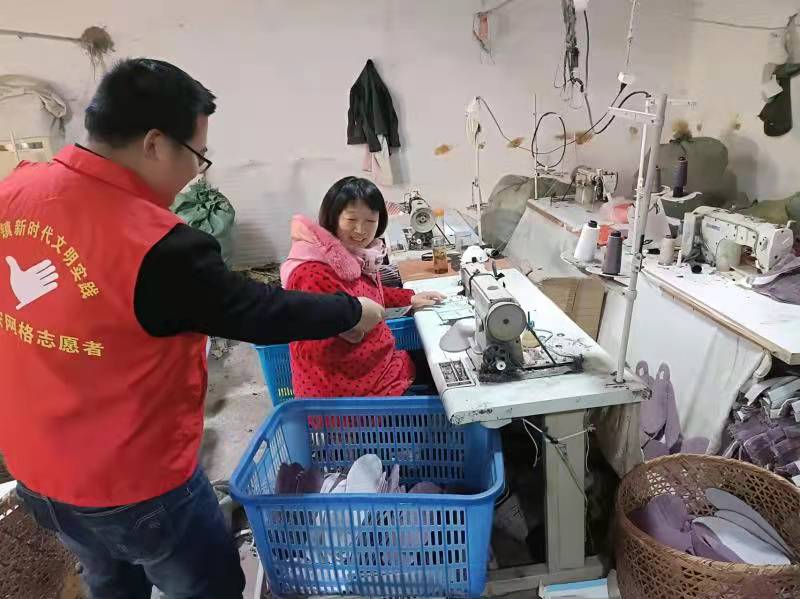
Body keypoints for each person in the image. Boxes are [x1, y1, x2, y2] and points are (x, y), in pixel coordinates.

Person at [0, 59, 385, 599]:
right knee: (207, 586)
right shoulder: (153, 243)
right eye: (197, 155)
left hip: (34, 468)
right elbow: (256, 310)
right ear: (155, 144)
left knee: (109, 581)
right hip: (134, 483)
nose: (195, 172)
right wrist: (352, 312)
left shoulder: (14, 192)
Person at [280, 176, 445, 397]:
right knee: (446, 384)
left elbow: (364, 293)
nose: (361, 230)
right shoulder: (311, 273)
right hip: (347, 391)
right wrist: (350, 326)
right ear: (332, 217)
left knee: (441, 362)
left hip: (380, 366)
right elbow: (306, 346)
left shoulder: (353, 257)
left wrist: (409, 298)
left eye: (370, 221)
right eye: (351, 219)